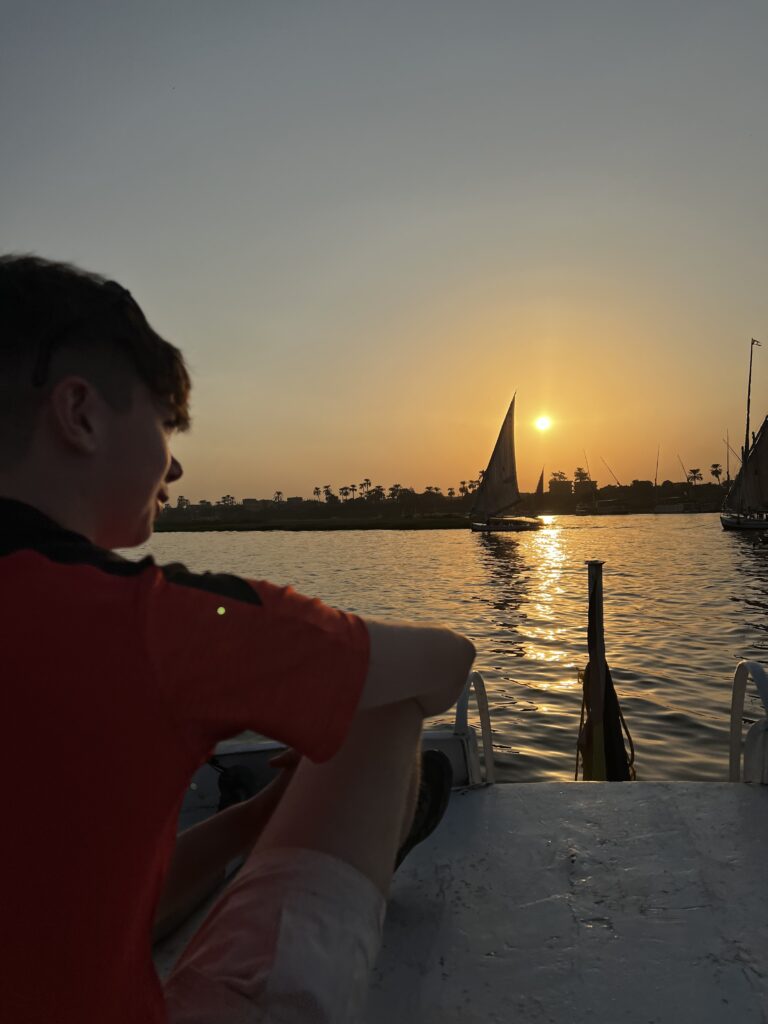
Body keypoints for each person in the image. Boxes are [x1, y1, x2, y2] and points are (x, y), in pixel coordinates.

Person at [0, 255, 476, 1024]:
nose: (176, 464)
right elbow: (447, 664)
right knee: (377, 700)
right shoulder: (151, 623)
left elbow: (62, 912)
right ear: (79, 414)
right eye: (161, 423)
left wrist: (257, 819)